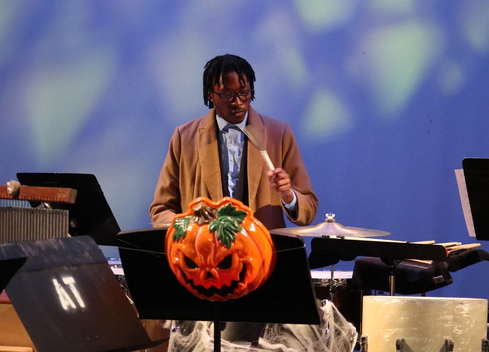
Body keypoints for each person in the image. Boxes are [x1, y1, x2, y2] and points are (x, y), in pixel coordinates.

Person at [150, 54, 318, 230]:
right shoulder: (184, 138)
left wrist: (288, 196)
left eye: (243, 93)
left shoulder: (279, 134)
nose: (237, 102)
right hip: (204, 254)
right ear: (210, 94)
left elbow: (309, 209)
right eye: (227, 95)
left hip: (263, 254)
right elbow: (161, 210)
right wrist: (190, 225)